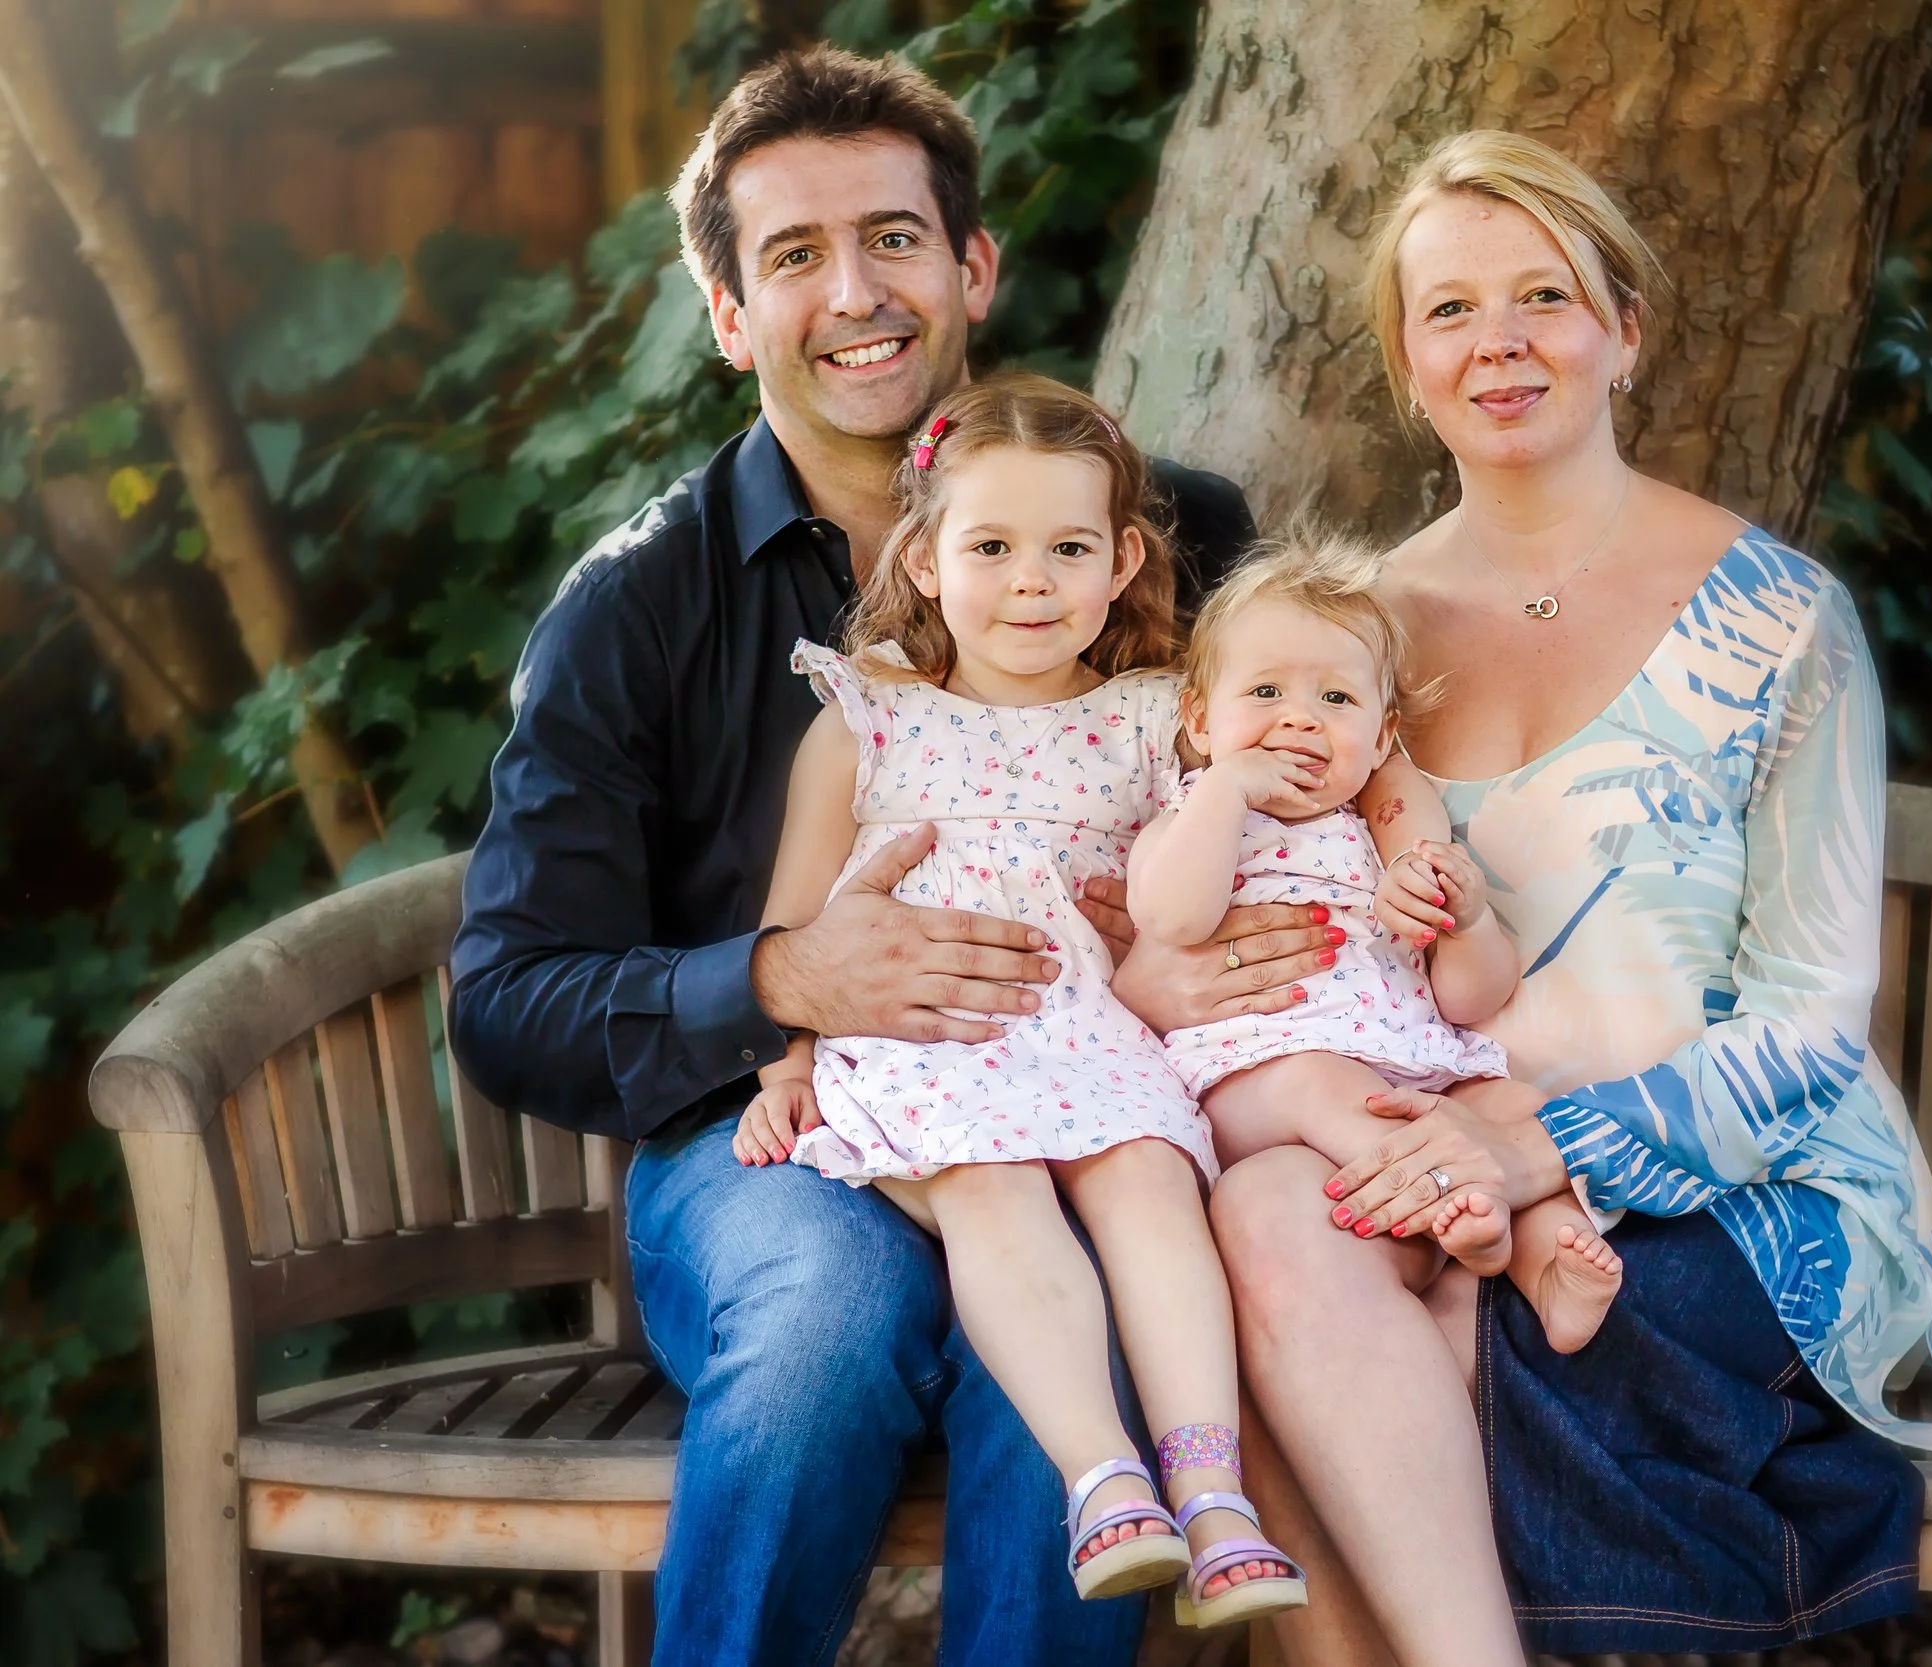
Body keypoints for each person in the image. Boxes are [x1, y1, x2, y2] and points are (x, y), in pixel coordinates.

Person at [449, 46, 1323, 1666]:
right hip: (774, 1136)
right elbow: (508, 996)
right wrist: (782, 975)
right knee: (823, 1326)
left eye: (895, 237)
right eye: (793, 255)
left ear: (972, 267)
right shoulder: (638, 607)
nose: (855, 291)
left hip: (1090, 1093)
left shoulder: (1178, 535)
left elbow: (1306, 784)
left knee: (1102, 1334)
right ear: (729, 316)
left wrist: (1227, 942)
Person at [1193, 131, 1932, 1665]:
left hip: (1746, 1176)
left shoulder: (1777, 617)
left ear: (1626, 330)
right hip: (1424, 1147)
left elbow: (1809, 1027)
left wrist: (1537, 1142)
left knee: (1440, 1319)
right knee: (1263, 1214)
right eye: (1451, 310)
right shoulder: (1351, 646)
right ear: (1407, 362)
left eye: (1545, 295)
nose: (1502, 342)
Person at [730, 373, 1306, 1630]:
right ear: (924, 558)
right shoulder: (868, 717)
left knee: (1148, 1174)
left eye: (1067, 548)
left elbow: (1215, 871)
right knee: (994, 1182)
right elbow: (800, 923)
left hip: (1093, 1027)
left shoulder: (1159, 721)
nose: (1031, 580)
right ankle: (1103, 1476)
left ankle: (1210, 1491)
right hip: (925, 1031)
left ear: (1123, 562)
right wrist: (789, 1064)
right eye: (991, 546)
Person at [1126, 531, 1623, 1353]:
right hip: (1255, 1075)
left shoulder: (1379, 840)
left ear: (1384, 735)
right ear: (1198, 718)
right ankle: (1449, 1200)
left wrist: (1464, 922)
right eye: (1265, 691)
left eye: (1336, 700)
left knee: (1516, 1105)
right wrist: (1227, 787)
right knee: (1316, 1083)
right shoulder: (1191, 818)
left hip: (1404, 1065)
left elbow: (1470, 999)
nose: (1299, 719)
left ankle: (1540, 1265)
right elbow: (1173, 917)